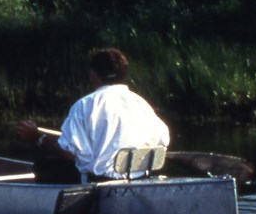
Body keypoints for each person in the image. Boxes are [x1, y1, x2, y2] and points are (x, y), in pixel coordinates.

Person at [16, 48, 170, 182]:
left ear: (94, 75)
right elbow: (163, 139)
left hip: (101, 181)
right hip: (138, 178)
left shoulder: (85, 105)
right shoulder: (141, 103)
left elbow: (70, 152)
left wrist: (37, 137)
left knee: (44, 165)